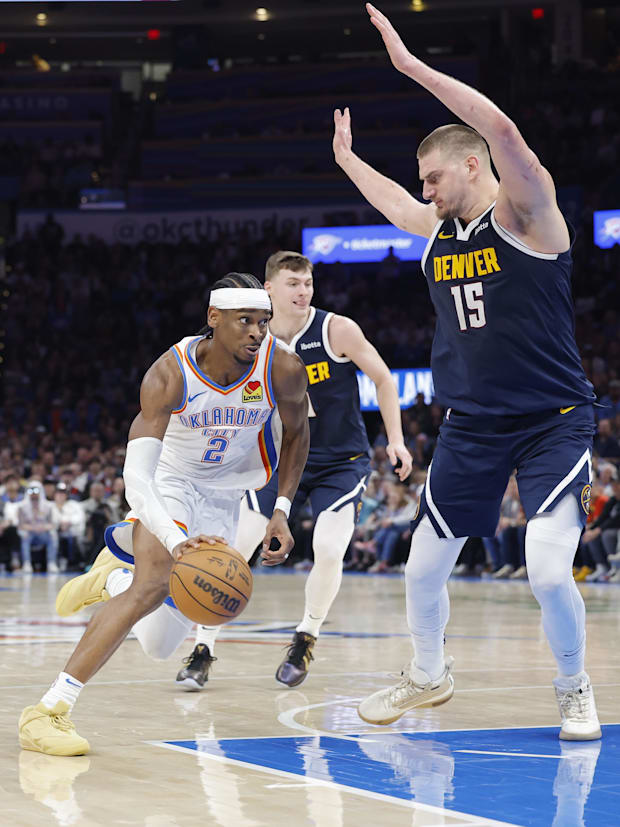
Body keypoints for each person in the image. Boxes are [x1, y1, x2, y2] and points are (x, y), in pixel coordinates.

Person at [332, 4, 600, 740]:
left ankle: (574, 686)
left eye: (434, 177)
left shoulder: (527, 215)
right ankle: (428, 673)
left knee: (547, 570)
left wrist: (412, 68)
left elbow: (505, 131)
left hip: (551, 419)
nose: (425, 191)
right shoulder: (436, 231)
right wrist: (347, 161)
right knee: (421, 569)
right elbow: (394, 203)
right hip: (473, 423)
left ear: (472, 165)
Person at [19, 274, 310, 756]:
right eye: (245, 321)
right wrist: (175, 540)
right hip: (170, 482)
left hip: (225, 495)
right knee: (153, 585)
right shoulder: (169, 374)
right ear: (214, 318)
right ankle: (48, 710)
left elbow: (298, 434)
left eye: (263, 321)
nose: (257, 332)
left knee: (160, 643)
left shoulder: (283, 367)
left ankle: (113, 578)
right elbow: (137, 478)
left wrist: (281, 508)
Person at [175, 251, 412, 691]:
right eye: (293, 284)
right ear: (268, 289)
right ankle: (203, 648)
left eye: (308, 283)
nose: (303, 292)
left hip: (339, 462)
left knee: (329, 547)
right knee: (237, 545)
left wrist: (395, 439)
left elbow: (383, 378)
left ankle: (306, 637)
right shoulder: (252, 339)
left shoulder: (336, 329)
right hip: (279, 461)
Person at [17, 482, 59, 574]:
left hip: (43, 533)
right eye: (31, 491)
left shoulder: (48, 506)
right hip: (30, 533)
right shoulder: (22, 507)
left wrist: (43, 527)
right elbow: (21, 525)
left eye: (36, 491)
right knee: (25, 536)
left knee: (52, 536)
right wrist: (33, 528)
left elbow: (52, 524)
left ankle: (51, 563)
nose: (34, 494)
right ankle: (27, 563)